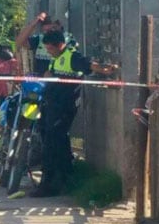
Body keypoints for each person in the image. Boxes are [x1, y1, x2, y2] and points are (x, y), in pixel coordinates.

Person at [31, 30, 118, 197]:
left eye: (50, 48)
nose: (48, 51)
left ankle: (49, 185)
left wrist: (105, 70)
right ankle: (65, 177)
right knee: (56, 142)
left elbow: (88, 64)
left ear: (59, 45)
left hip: (63, 108)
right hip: (51, 106)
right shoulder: (56, 58)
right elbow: (51, 75)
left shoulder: (72, 57)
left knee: (52, 144)